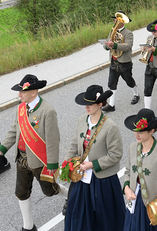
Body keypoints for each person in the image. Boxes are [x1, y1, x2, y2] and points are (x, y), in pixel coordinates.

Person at [0, 74, 67, 231]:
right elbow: (14, 131)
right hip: (22, 159)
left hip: (39, 160)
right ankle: (28, 227)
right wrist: (1, 149)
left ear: (33, 92)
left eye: (22, 92)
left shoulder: (48, 111)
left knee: (50, 191)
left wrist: (52, 163)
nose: (19, 94)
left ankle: (71, 196)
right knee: (21, 192)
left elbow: (53, 139)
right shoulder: (21, 108)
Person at [63, 85, 125, 231]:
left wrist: (93, 164)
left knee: (105, 220)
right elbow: (74, 143)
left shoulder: (111, 127)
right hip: (81, 178)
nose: (86, 107)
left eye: (90, 104)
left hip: (103, 181)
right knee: (79, 217)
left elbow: (115, 155)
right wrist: (66, 163)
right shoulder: (82, 120)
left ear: (100, 104)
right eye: (85, 103)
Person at [103, 11, 140, 111]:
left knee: (129, 81)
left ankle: (136, 94)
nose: (115, 20)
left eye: (117, 19)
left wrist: (114, 45)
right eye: (115, 19)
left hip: (124, 63)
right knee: (111, 83)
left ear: (123, 21)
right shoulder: (112, 31)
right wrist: (106, 46)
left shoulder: (128, 33)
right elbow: (107, 43)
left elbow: (127, 46)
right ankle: (111, 105)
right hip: (114, 61)